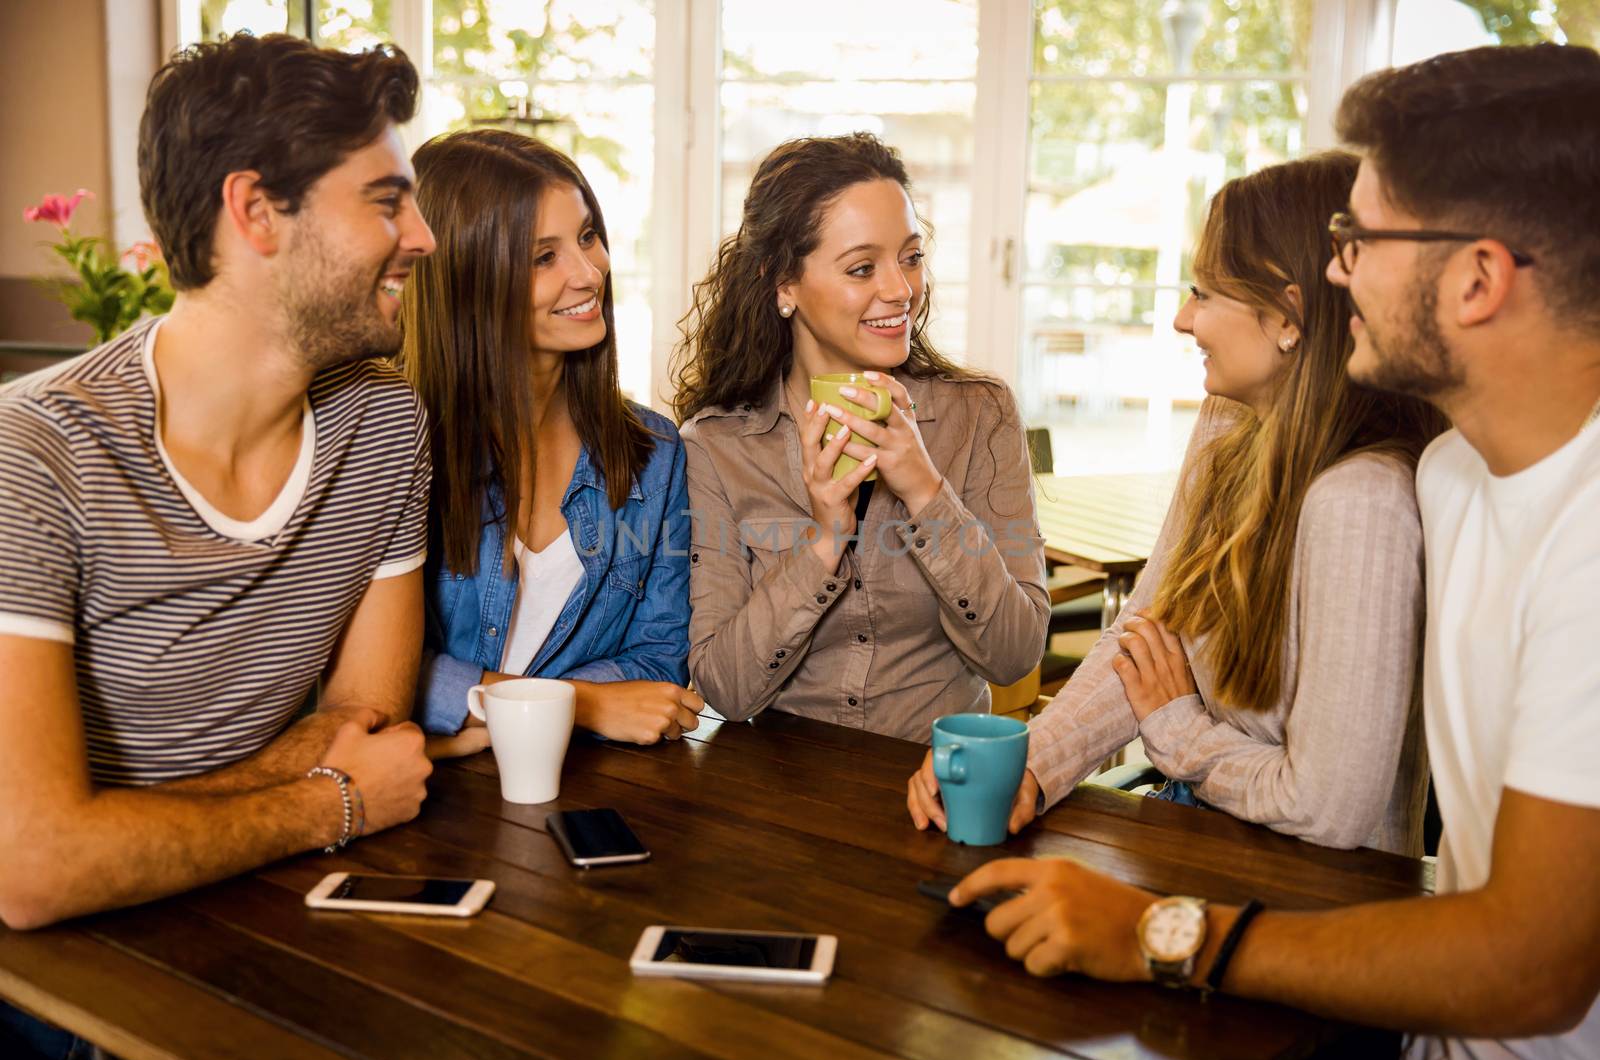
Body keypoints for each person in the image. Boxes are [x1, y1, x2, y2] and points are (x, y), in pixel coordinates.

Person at [946, 44, 1600, 1060]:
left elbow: (1533, 961)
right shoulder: (1451, 476)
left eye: (1363, 239)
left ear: (1477, 278)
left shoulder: (1573, 542)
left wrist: (1160, 932)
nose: (1336, 271)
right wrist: (1038, 759)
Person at [0, 32, 438, 935]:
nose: (423, 239)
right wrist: (328, 804)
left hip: (257, 912)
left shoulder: (387, 429)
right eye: (387, 202)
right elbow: (33, 868)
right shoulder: (34, 454)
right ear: (256, 211)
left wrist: (126, 830)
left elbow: (366, 726)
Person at [908, 152, 1446, 853]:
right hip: (1192, 837)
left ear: (1289, 313)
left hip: (1304, 903)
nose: (1182, 319)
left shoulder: (1363, 501)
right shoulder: (1227, 423)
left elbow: (1328, 809)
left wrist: (1179, 726)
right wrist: (1029, 765)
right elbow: (1147, 631)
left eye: (1204, 292)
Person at [673, 133, 1048, 741]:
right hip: (778, 790)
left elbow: (1014, 654)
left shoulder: (981, 414)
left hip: (934, 782)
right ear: (783, 285)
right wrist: (824, 543)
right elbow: (726, 690)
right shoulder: (716, 446)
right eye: (861, 268)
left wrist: (927, 493)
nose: (900, 290)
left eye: (911, 257)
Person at [401, 130, 700, 746]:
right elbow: (368, 671)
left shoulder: (654, 452)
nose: (591, 274)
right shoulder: (398, 445)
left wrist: (478, 715)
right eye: (544, 257)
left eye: (588, 236)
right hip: (420, 800)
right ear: (465, 279)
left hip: (578, 788)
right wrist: (578, 704)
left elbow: (658, 661)